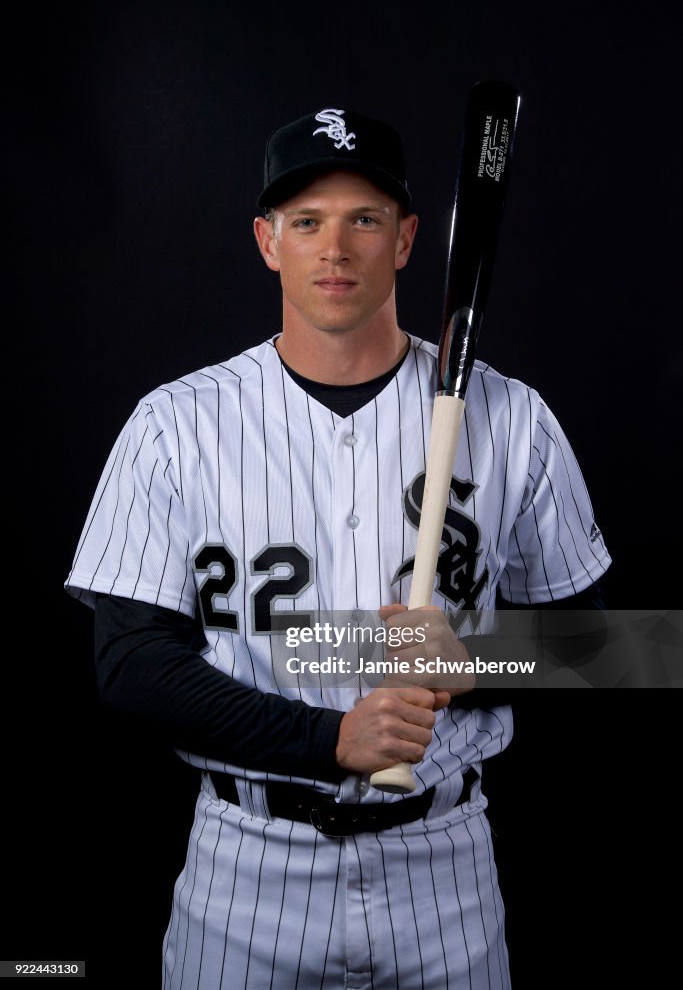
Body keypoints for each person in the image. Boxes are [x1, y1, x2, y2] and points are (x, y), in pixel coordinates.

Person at [65, 105, 611, 989]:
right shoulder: (175, 425)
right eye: (307, 221)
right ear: (265, 240)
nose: (335, 247)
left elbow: (619, 654)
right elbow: (129, 665)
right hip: (245, 870)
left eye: (364, 218)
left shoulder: (512, 420)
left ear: (404, 240)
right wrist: (330, 739)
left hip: (447, 878)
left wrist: (479, 658)